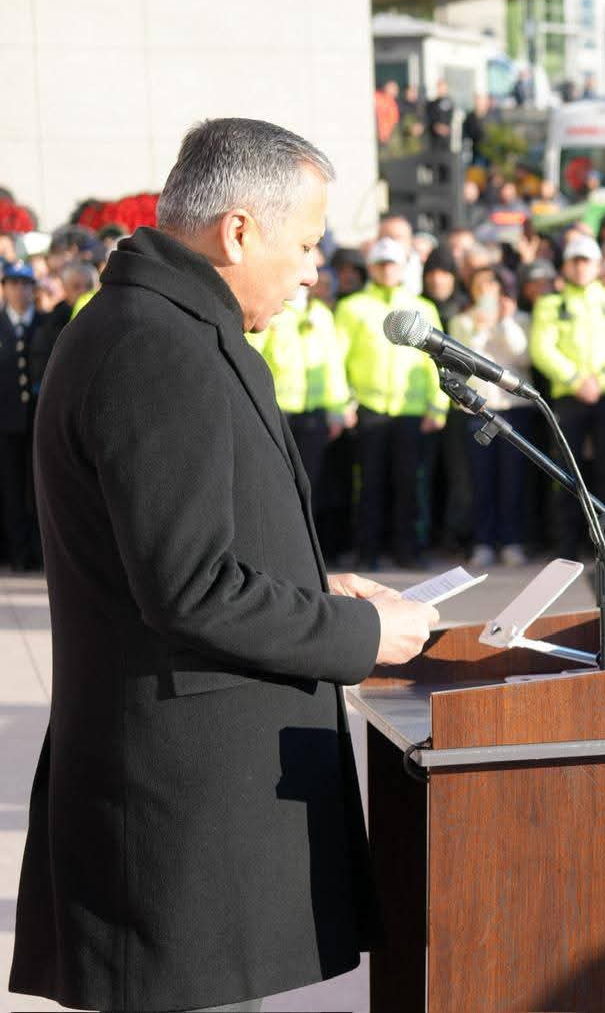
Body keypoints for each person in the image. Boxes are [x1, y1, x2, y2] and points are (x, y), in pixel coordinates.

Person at [10, 117, 438, 1013]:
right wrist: (359, 633)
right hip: (178, 805)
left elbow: (173, 548)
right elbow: (191, 587)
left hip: (194, 793)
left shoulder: (166, 324)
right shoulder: (155, 343)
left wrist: (314, 585)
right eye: (307, 244)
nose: (314, 270)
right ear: (238, 231)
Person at [335, 236, 450, 569]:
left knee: (409, 484)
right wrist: (344, 402)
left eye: (392, 265)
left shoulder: (423, 307)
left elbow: (436, 359)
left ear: (402, 268)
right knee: (369, 485)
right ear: (372, 268)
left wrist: (437, 406)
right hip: (369, 408)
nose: (387, 270)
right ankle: (367, 552)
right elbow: (337, 357)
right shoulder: (352, 307)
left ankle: (409, 550)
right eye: (381, 264)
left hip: (411, 411)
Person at [528, 232, 605, 561]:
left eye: (587, 261)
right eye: (575, 261)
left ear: (598, 265)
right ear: (566, 265)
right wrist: (574, 379)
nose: (581, 267)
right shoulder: (550, 303)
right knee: (566, 474)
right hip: (569, 397)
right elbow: (542, 348)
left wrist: (602, 379)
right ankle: (566, 546)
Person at [449, 265, 536, 569]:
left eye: (492, 286)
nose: (486, 292)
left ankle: (512, 541)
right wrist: (480, 329)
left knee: (513, 480)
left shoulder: (520, 319)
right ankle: (483, 542)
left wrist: (505, 322)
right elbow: (464, 364)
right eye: (480, 286)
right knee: (480, 479)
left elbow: (522, 357)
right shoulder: (462, 321)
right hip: (478, 409)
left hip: (514, 409)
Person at [244, 273, 350, 499]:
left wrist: (337, 409)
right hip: (278, 412)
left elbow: (332, 363)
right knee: (275, 483)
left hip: (314, 413)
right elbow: (251, 356)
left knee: (310, 483)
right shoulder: (273, 311)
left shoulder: (321, 314)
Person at [0, 261, 65, 572]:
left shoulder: (45, 323)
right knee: (10, 487)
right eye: (13, 284)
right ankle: (16, 551)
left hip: (38, 420)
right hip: (6, 422)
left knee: (39, 488)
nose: (19, 290)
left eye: (25, 284)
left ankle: (40, 552)